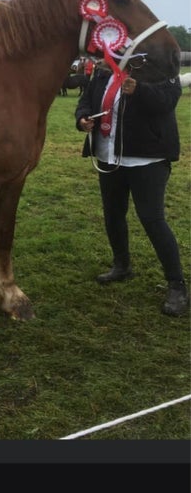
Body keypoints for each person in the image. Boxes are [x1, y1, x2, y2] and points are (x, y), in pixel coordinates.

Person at [75, 62, 189, 317]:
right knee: (113, 215)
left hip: (147, 160)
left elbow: (167, 102)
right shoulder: (104, 70)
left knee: (152, 219)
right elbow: (86, 100)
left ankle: (176, 284)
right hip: (108, 157)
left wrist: (139, 90)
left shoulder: (161, 69)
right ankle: (122, 265)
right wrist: (82, 118)